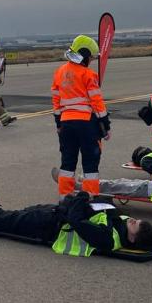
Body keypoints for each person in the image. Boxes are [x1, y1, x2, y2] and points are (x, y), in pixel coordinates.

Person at [0, 191, 152, 257]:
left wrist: (80, 198)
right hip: (56, 213)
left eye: (134, 225)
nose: (131, 220)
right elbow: (103, 206)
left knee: (13, 223)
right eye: (135, 220)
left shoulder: (108, 238)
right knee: (20, 214)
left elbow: (77, 221)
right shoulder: (119, 222)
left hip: (52, 228)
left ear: (132, 238)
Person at [52, 35, 108, 195]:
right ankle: (90, 201)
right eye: (90, 57)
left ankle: (65, 199)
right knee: (90, 166)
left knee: (67, 164)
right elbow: (97, 103)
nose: (91, 61)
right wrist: (106, 125)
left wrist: (58, 123)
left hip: (66, 124)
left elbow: (56, 102)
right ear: (84, 55)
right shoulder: (88, 75)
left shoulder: (59, 72)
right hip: (86, 124)